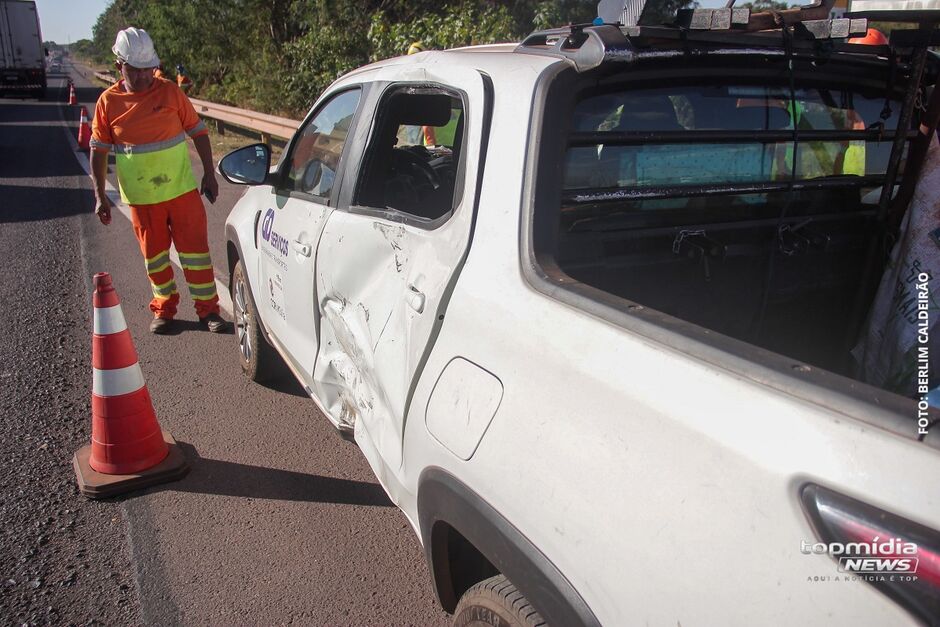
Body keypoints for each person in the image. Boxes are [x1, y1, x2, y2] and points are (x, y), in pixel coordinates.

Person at [90, 27, 229, 335]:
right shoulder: (107, 104)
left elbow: (198, 131)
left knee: (196, 254)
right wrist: (100, 194)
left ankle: (209, 311)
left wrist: (209, 172)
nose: (142, 78)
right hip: (142, 199)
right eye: (134, 71)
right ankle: (164, 309)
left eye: (147, 70)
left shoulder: (169, 91)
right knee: (155, 259)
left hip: (181, 192)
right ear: (119, 66)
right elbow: (98, 152)